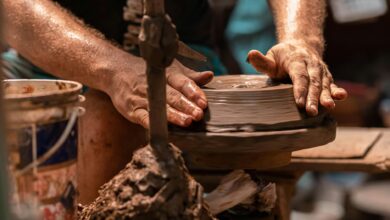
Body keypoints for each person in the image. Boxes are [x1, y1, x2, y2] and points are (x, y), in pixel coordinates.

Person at [3, 0, 347, 204]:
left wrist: (301, 39)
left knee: (109, 124)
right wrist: (112, 70)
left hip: (182, 58)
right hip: (46, 52)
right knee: (101, 119)